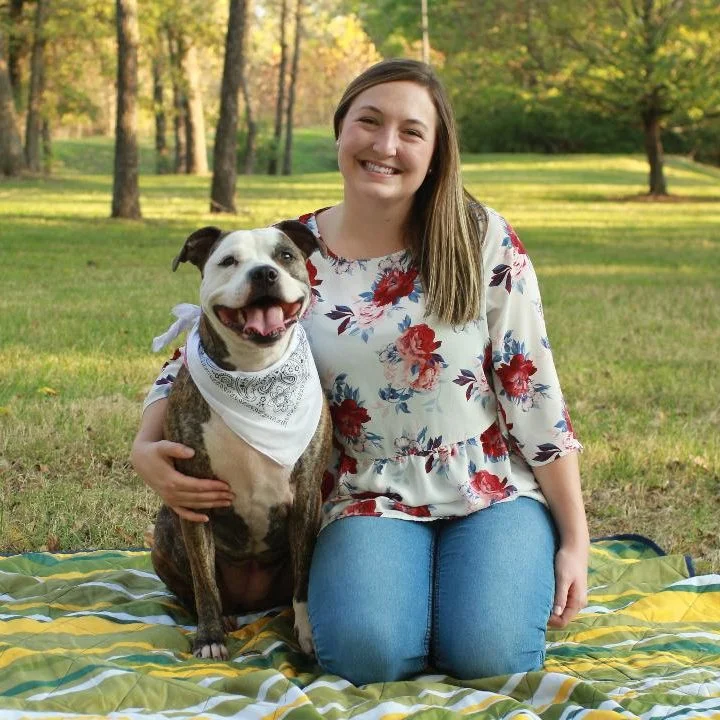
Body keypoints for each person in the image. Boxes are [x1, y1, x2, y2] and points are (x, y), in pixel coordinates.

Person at [131, 58, 589, 685]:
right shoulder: (290, 253)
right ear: (341, 130)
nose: (385, 145)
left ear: (437, 149)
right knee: (364, 655)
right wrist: (145, 448)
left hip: (487, 485)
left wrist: (575, 540)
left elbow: (532, 391)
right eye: (368, 122)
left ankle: (470, 587)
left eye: (411, 131)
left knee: (491, 655)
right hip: (359, 492)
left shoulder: (481, 239)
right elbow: (198, 350)